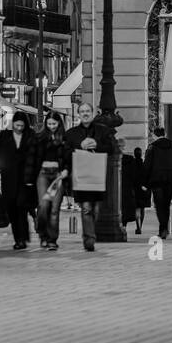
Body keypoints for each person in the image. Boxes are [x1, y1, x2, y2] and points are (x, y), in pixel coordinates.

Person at [62, 102, 115, 251]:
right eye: (82, 111)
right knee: (86, 208)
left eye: (87, 111)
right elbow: (65, 153)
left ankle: (90, 233)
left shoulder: (103, 131)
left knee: (96, 209)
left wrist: (96, 145)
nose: (85, 113)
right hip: (81, 176)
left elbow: (111, 148)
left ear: (92, 113)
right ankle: (89, 239)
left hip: (97, 175)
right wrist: (80, 146)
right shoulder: (71, 133)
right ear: (78, 114)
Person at [0, 113, 37, 250]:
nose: (19, 128)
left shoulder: (30, 136)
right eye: (17, 125)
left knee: (21, 208)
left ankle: (22, 239)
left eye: (22, 126)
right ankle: (18, 237)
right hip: (8, 178)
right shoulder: (4, 136)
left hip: (25, 179)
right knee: (12, 209)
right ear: (13, 124)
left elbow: (35, 156)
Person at [33, 111, 70, 251]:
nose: (51, 126)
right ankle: (43, 234)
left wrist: (66, 169)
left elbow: (68, 156)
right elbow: (35, 157)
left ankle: (52, 239)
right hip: (43, 174)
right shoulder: (40, 138)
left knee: (54, 209)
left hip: (58, 175)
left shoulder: (64, 138)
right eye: (49, 124)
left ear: (59, 123)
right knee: (43, 206)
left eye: (54, 124)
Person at [144, 126, 172, 240]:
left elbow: (147, 165)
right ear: (165, 134)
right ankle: (164, 228)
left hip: (156, 181)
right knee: (166, 205)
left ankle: (162, 228)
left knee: (159, 205)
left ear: (154, 135)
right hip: (170, 181)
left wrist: (145, 182)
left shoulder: (152, 148)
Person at [129, 145, 150, 235]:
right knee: (142, 209)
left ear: (134, 154)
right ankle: (140, 226)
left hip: (135, 189)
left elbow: (130, 178)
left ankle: (138, 226)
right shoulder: (144, 165)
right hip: (143, 190)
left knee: (136, 209)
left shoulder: (132, 165)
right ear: (141, 154)